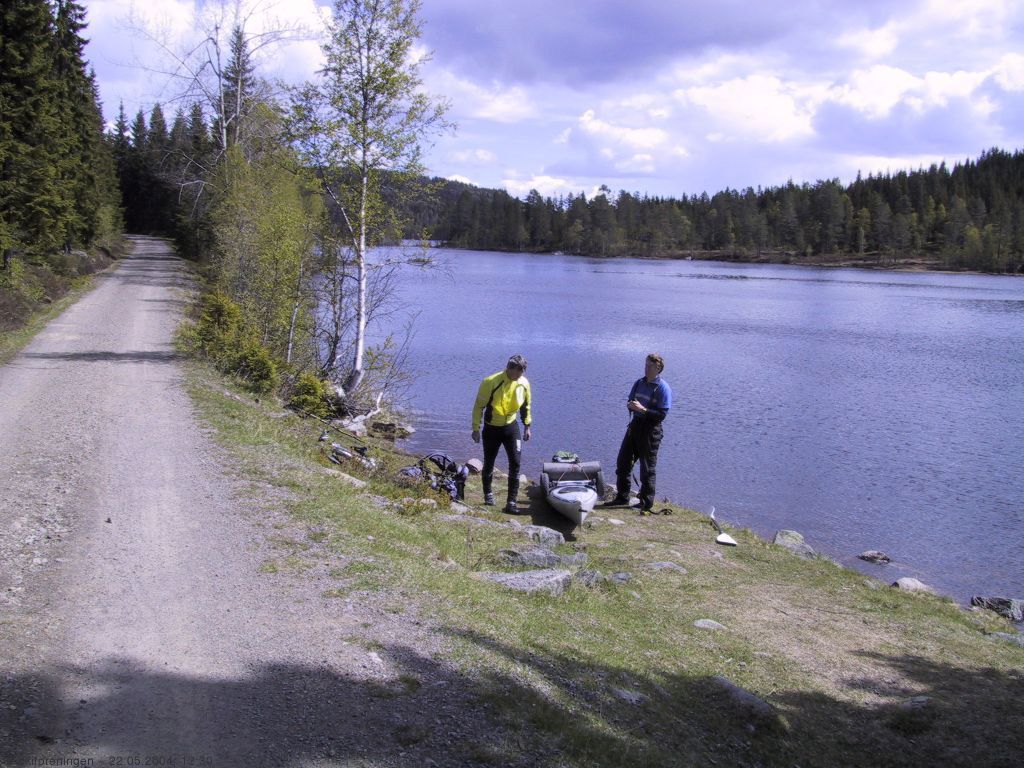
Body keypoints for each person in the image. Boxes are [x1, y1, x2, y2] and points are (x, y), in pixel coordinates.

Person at [607, 353, 671, 513]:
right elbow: (629, 402)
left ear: (658, 368)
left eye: (650, 366)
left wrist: (643, 409)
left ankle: (646, 502)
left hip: (650, 431)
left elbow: (661, 415)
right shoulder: (639, 383)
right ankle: (622, 497)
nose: (646, 368)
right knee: (623, 462)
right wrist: (631, 405)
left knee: (647, 468)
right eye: (646, 365)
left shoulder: (662, 388)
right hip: (634, 426)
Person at [471, 354, 532, 514]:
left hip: (511, 428)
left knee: (516, 463)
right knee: (489, 461)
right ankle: (488, 494)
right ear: (509, 368)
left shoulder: (524, 383)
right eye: (517, 372)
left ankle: (511, 503)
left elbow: (526, 406)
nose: (519, 376)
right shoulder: (491, 382)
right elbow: (478, 407)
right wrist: (475, 428)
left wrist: (527, 426)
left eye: (522, 373)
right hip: (492, 428)